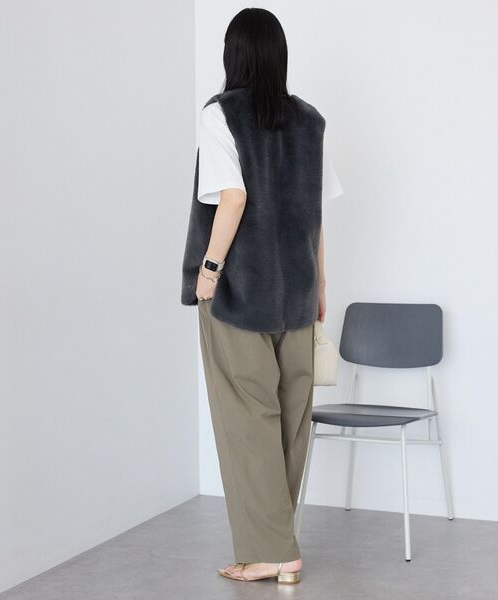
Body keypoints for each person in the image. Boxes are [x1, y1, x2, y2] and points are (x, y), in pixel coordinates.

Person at [181, 8, 343, 584]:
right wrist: (321, 284)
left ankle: (274, 551)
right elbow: (314, 211)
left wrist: (208, 271)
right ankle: (277, 546)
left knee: (246, 419)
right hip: (297, 293)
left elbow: (233, 197)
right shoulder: (311, 121)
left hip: (239, 292)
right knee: (290, 421)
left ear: (234, 55)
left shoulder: (221, 114)